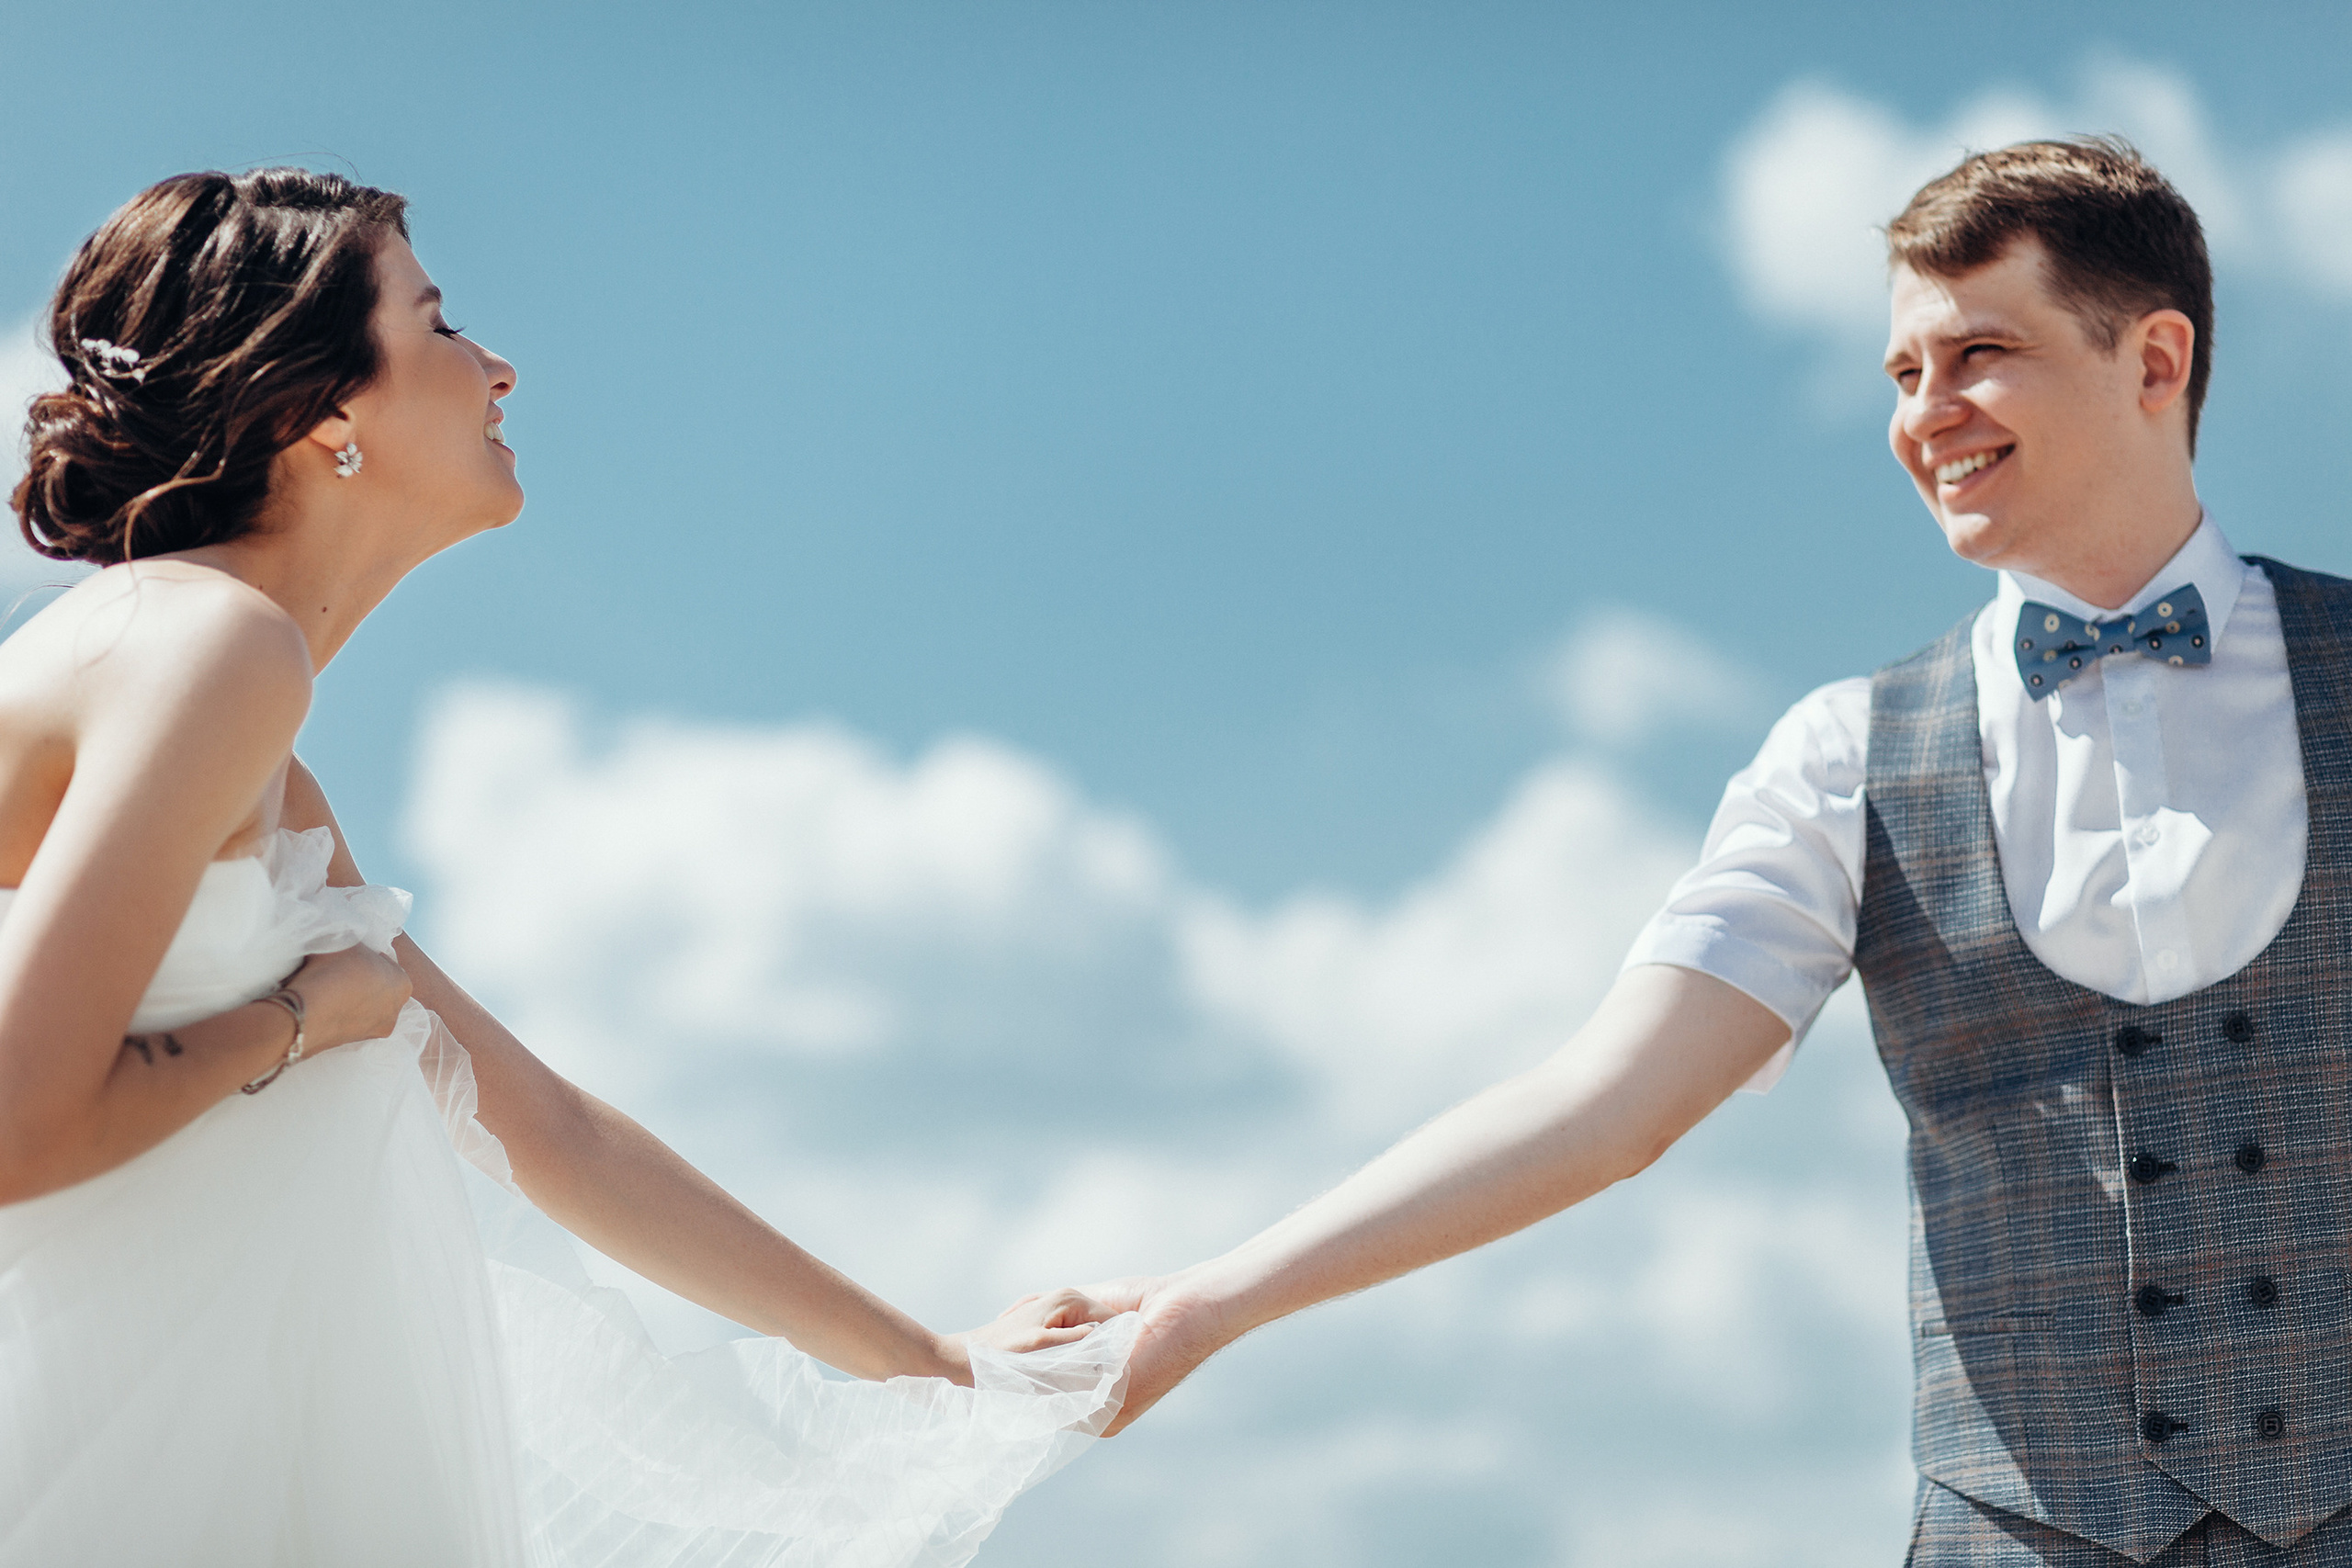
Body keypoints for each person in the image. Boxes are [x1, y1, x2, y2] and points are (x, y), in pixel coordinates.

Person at [1090, 137, 2352, 1564]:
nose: (1924, 414)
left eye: (1977, 353)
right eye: (1900, 374)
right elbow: (1603, 1104)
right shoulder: (1839, 756)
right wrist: (1215, 1300)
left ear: (2156, 359)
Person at [0, 168, 1131, 1568]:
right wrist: (298, 1025)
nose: (500, 366)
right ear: (323, 410)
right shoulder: (211, 649)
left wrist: (939, 1364)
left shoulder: (250, 730)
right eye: (441, 323)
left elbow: (545, 1127)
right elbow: (17, 1128)